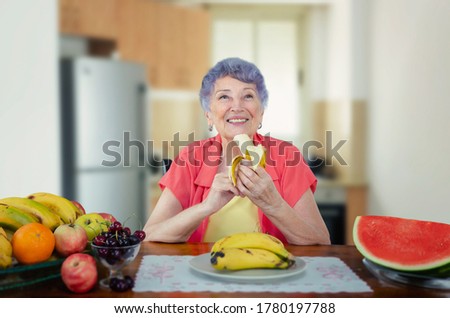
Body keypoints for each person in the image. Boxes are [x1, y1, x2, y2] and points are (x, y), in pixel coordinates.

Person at [143, 57, 330, 245]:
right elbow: (150, 235)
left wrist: (274, 205)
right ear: (208, 115)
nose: (237, 107)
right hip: (203, 271)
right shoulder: (190, 158)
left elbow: (321, 241)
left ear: (261, 111)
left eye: (248, 96)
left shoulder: (288, 156)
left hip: (272, 270)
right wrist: (207, 207)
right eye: (224, 97)